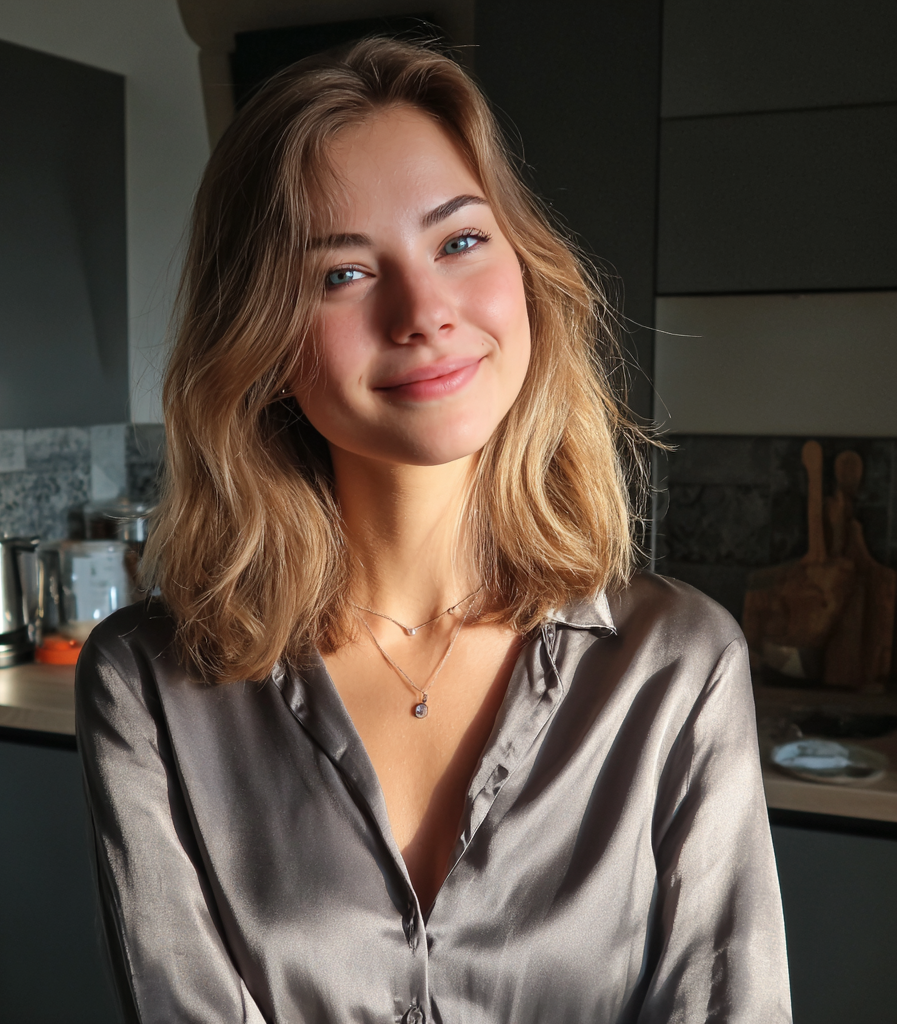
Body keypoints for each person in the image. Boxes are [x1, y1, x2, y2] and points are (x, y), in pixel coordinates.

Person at [76, 37, 791, 1024]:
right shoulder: (147, 684)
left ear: (525, 272)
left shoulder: (679, 665)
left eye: (458, 242)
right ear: (264, 341)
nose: (423, 313)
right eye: (341, 275)